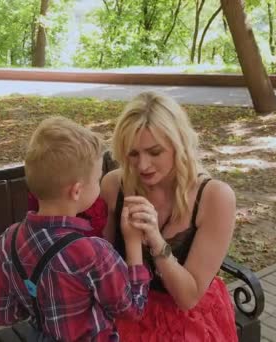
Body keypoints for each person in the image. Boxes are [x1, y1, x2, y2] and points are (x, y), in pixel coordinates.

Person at [0, 116, 151, 341]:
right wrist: (133, 244)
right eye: (97, 180)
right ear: (76, 191)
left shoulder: (7, 240)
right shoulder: (93, 252)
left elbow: (5, 315)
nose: (99, 184)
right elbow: (132, 310)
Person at [101, 92, 238, 341]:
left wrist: (156, 240)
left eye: (155, 152)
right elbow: (102, 266)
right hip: (127, 313)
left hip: (187, 322)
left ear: (179, 145)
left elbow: (188, 298)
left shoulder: (214, 197)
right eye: (133, 154)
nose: (143, 165)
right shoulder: (113, 186)